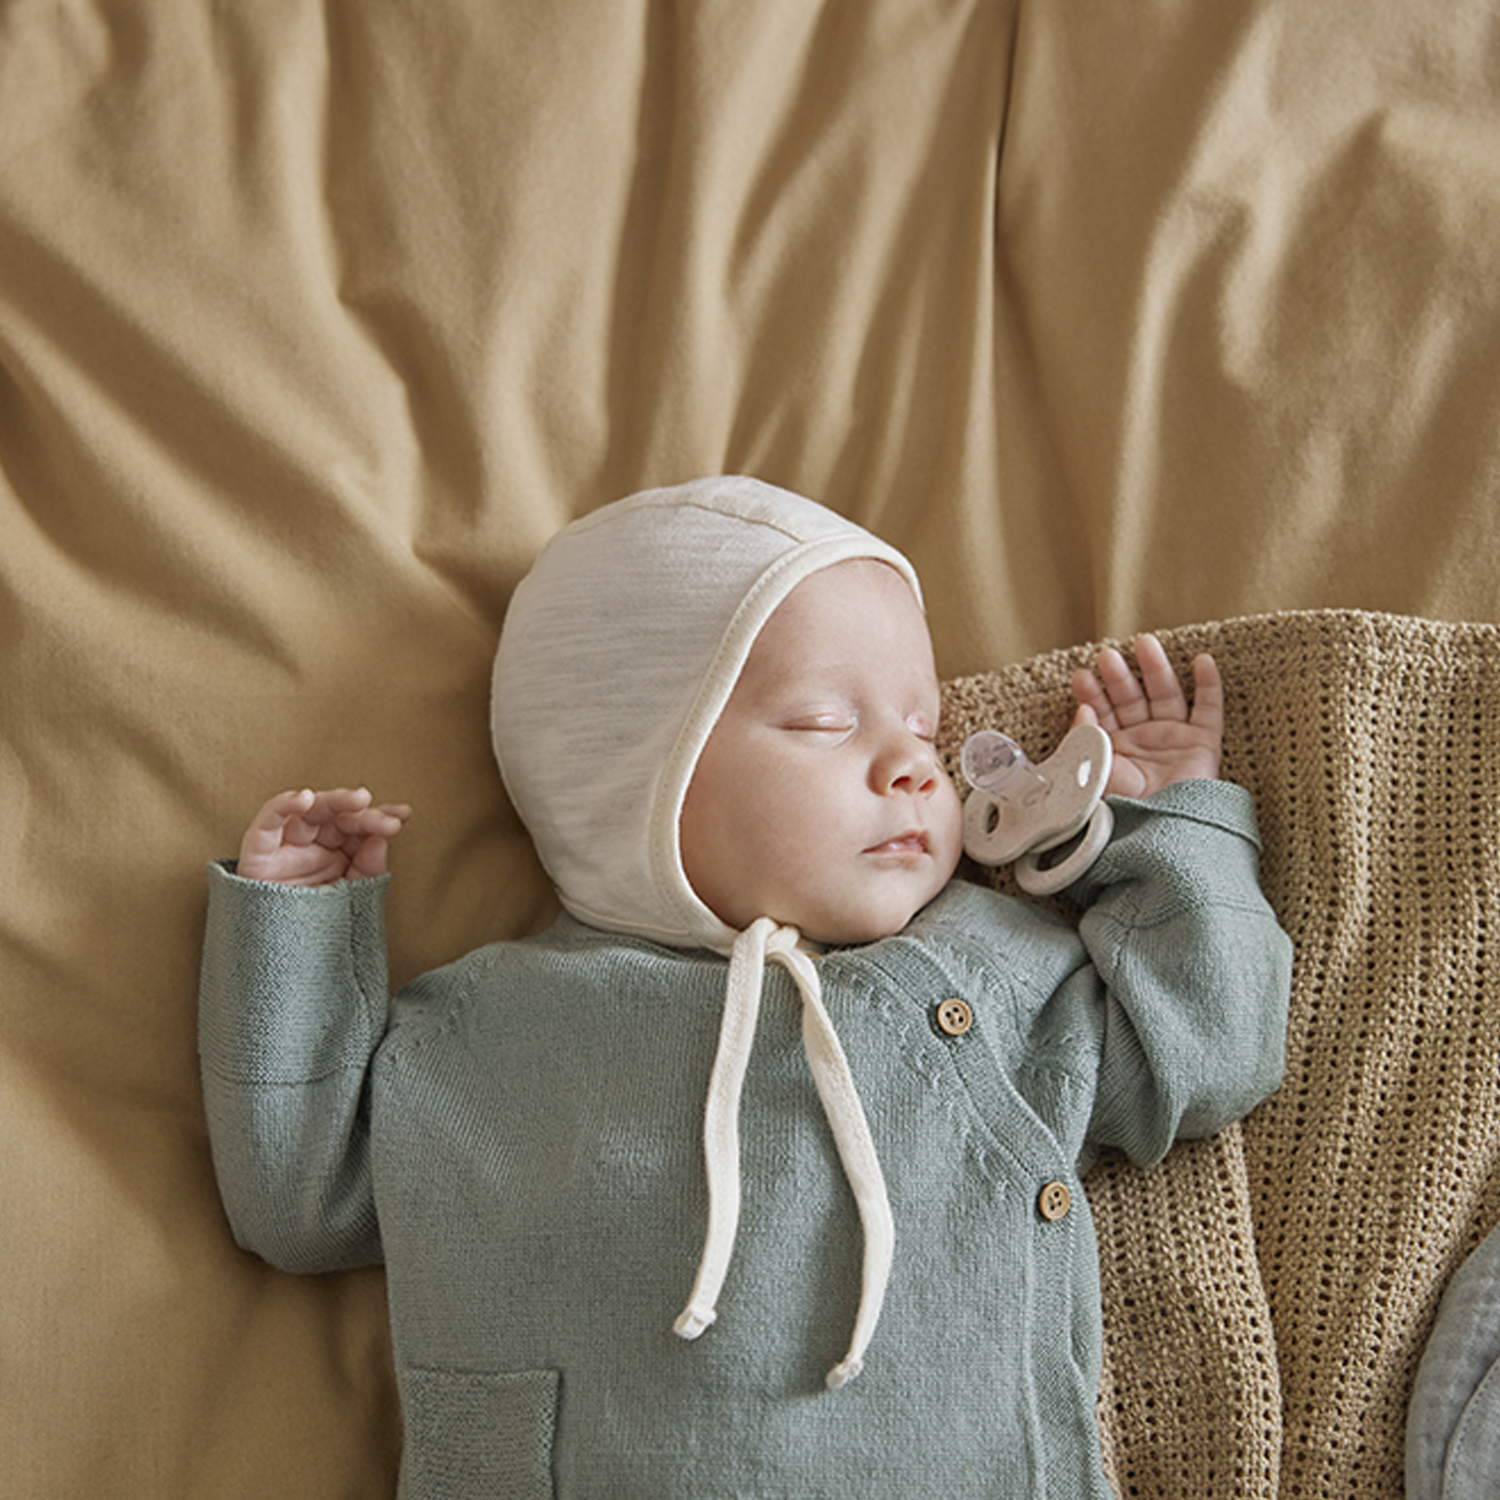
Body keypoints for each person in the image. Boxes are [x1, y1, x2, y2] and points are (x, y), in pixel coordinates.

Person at [199, 475, 1292, 1498]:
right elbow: (300, 1198)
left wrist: (1164, 828)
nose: (914, 764)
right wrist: (296, 925)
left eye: (923, 726)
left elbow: (1203, 1055)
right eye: (827, 721)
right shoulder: (485, 1029)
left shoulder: (983, 974)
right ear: (636, 773)